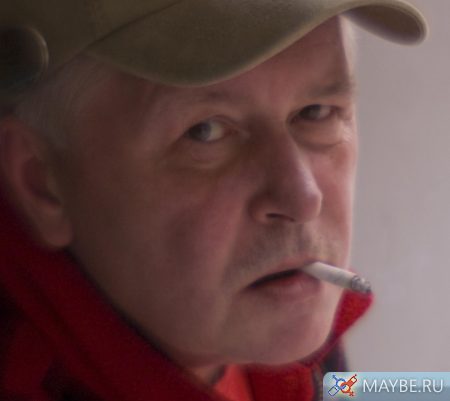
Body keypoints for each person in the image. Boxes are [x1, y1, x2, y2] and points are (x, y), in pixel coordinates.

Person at [0, 1, 426, 400]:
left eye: (315, 112)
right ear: (42, 182)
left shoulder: (245, 325)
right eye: (205, 132)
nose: (302, 199)